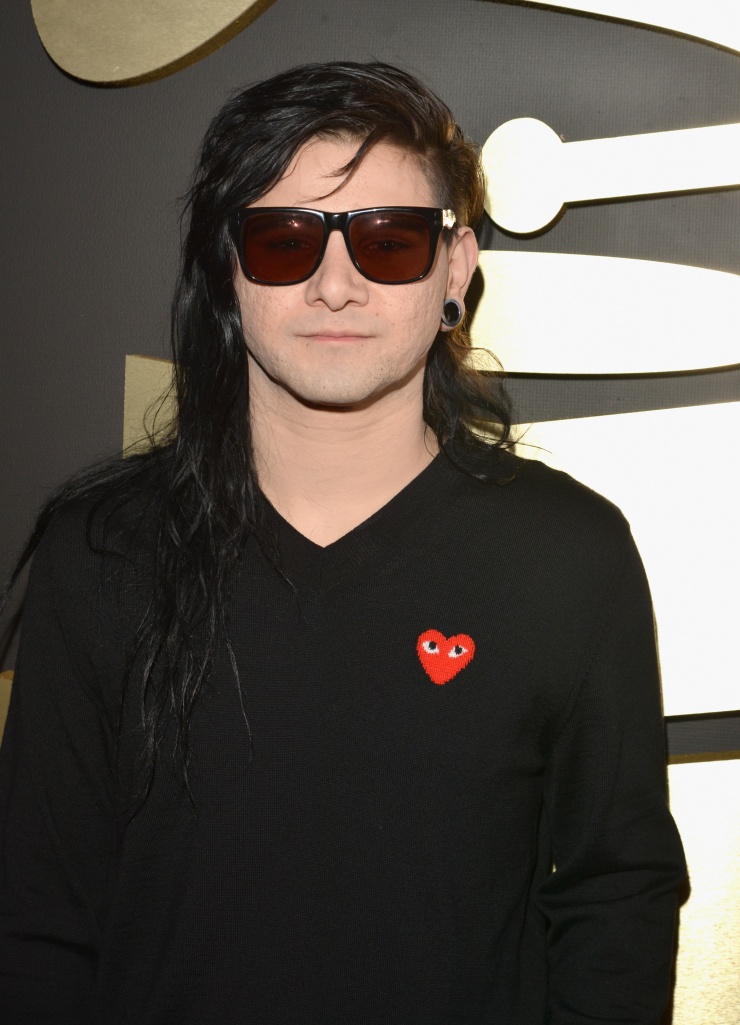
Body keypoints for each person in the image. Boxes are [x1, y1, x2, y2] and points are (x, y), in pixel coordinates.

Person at [0, 61, 685, 1024]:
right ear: (228, 269)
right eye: (284, 240)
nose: (335, 285)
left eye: (388, 240)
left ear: (455, 268)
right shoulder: (103, 555)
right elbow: (36, 920)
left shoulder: (571, 558)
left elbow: (618, 899)